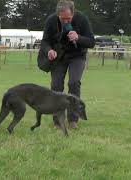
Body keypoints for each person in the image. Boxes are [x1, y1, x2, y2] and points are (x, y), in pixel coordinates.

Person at [40, 0, 95, 129]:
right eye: (62, 18)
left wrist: (78, 38)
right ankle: (58, 120)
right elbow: (45, 41)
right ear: (57, 14)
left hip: (77, 56)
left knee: (74, 83)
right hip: (59, 57)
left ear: (73, 13)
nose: (66, 21)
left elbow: (91, 42)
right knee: (56, 85)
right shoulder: (51, 21)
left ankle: (72, 120)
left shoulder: (82, 19)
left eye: (68, 18)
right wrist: (49, 50)